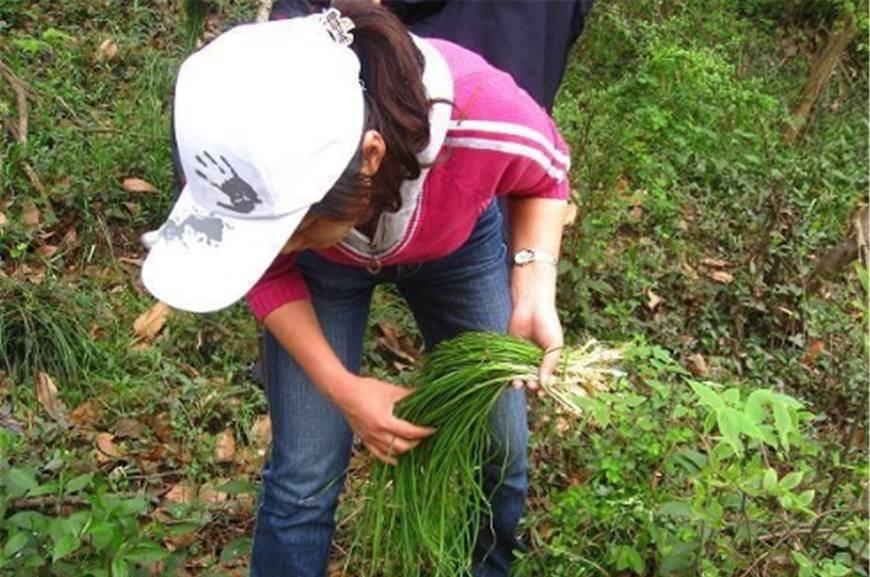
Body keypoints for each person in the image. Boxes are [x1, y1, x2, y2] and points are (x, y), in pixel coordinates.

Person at [141, 2, 569, 576]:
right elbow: (268, 269)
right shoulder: (249, 150)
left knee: (501, 448)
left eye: (289, 233)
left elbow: (547, 173)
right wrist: (344, 389)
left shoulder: (481, 111)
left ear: (370, 157)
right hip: (330, 265)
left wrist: (534, 278)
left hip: (454, 246)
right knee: (303, 478)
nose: (273, 249)